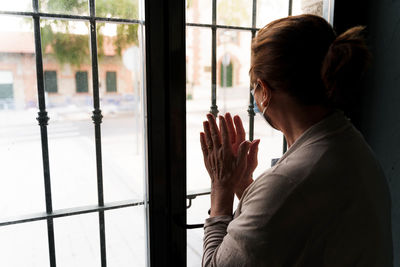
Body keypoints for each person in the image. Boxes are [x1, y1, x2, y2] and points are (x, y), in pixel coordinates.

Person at [200, 14, 393, 266]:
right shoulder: (349, 144)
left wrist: (221, 188)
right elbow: (292, 220)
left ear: (264, 92)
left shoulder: (287, 183)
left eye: (254, 87)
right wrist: (248, 189)